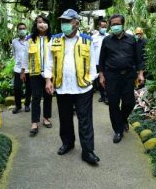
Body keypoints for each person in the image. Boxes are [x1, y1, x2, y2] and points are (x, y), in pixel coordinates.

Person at [44, 9, 100, 165]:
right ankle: (68, 143)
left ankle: (88, 151)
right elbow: (48, 62)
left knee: (85, 120)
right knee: (65, 118)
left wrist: (90, 81)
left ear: (76, 22)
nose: (64, 24)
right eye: (62, 21)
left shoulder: (87, 40)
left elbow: (92, 64)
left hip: (83, 88)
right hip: (62, 87)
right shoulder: (54, 40)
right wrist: (48, 81)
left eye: (67, 21)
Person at [99, 14, 144, 144]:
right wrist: (101, 75)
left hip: (128, 76)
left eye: (117, 24)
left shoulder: (131, 39)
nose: (115, 26)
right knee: (113, 103)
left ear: (122, 24)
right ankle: (118, 131)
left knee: (129, 102)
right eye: (112, 24)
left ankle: (123, 118)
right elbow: (101, 59)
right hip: (111, 76)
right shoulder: (106, 40)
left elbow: (138, 58)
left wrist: (140, 74)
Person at [22, 15, 53, 136]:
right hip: (35, 73)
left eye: (45, 22)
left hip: (49, 73)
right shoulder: (30, 39)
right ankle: (34, 122)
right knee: (35, 97)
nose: (42, 24)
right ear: (36, 24)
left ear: (48, 24)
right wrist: (23, 71)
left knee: (48, 96)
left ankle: (46, 118)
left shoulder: (52, 39)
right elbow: (25, 56)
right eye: (39, 22)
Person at [11, 23, 31, 114]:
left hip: (28, 69)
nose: (22, 30)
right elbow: (14, 54)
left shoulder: (30, 40)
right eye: (20, 28)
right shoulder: (14, 41)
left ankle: (27, 104)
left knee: (29, 88)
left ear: (26, 29)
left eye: (23, 28)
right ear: (17, 30)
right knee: (17, 88)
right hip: (18, 69)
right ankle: (18, 106)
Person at [92, 19, 109, 104]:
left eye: (105, 27)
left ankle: (106, 97)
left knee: (106, 79)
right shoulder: (93, 38)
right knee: (99, 81)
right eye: (102, 27)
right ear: (98, 27)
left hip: (107, 62)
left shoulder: (109, 36)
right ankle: (102, 96)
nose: (104, 28)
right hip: (97, 63)